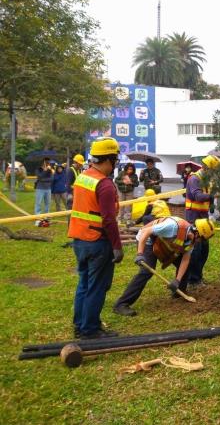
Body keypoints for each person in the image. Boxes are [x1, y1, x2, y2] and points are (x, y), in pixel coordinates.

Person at [67, 137, 123, 339]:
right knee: (97, 286)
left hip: (79, 240)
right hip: (98, 241)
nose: (115, 164)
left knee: (84, 283)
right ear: (108, 159)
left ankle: (80, 324)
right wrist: (117, 246)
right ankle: (90, 329)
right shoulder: (105, 185)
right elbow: (109, 220)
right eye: (115, 160)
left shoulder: (83, 177)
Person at [113, 217, 215, 316]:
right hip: (147, 240)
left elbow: (185, 259)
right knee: (146, 271)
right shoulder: (173, 226)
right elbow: (146, 231)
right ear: (196, 233)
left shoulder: (191, 239)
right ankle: (121, 304)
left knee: (186, 266)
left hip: (163, 243)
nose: (200, 242)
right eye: (201, 239)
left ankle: (179, 293)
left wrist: (177, 280)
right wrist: (140, 254)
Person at [185, 155, 219, 287]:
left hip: (203, 217)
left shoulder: (207, 180)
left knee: (204, 249)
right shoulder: (194, 179)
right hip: (193, 217)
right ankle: (193, 280)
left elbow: (208, 199)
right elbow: (197, 196)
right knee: (196, 249)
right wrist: (212, 195)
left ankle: (198, 276)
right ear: (206, 168)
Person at [34, 158, 53, 223]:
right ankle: (38, 218)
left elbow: (51, 179)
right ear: (43, 163)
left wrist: (43, 179)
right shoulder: (38, 169)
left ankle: (46, 217)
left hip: (48, 189)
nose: (48, 164)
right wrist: (44, 171)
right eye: (46, 162)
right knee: (38, 203)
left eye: (48, 163)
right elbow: (39, 177)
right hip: (40, 188)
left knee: (47, 203)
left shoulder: (50, 170)